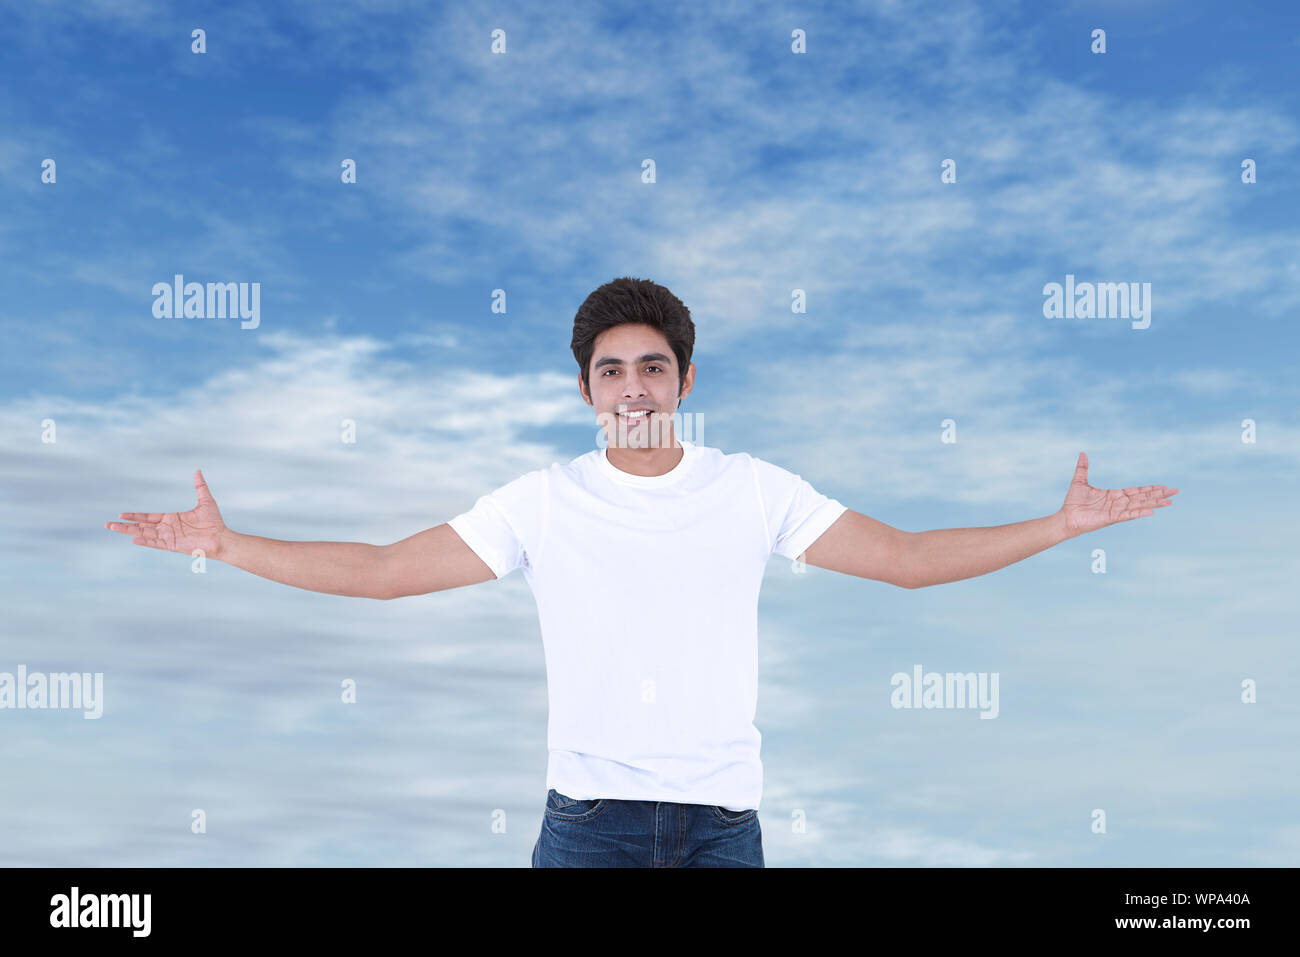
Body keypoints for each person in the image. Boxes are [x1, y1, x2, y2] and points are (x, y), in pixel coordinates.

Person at [104, 276, 1178, 867]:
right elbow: (385, 571)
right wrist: (227, 546)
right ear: (584, 390)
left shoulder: (751, 487)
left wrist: (1054, 525)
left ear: (684, 381)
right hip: (588, 825)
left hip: (723, 827)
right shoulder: (540, 502)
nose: (631, 385)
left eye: (650, 366)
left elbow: (902, 560)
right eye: (609, 369)